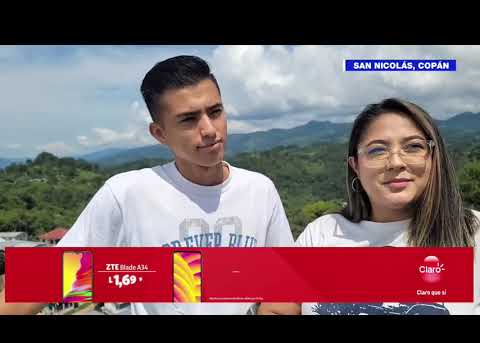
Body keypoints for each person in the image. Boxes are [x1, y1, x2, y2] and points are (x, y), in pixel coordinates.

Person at [0, 55, 294, 315]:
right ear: (159, 133)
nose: (209, 130)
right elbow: (46, 280)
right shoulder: (128, 194)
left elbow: (286, 287)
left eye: (215, 112)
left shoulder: (260, 190)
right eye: (189, 120)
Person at [259, 98, 480, 315]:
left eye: (413, 147)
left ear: (433, 156)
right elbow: (275, 309)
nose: (396, 162)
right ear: (355, 165)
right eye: (377, 150)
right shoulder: (322, 233)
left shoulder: (473, 232)